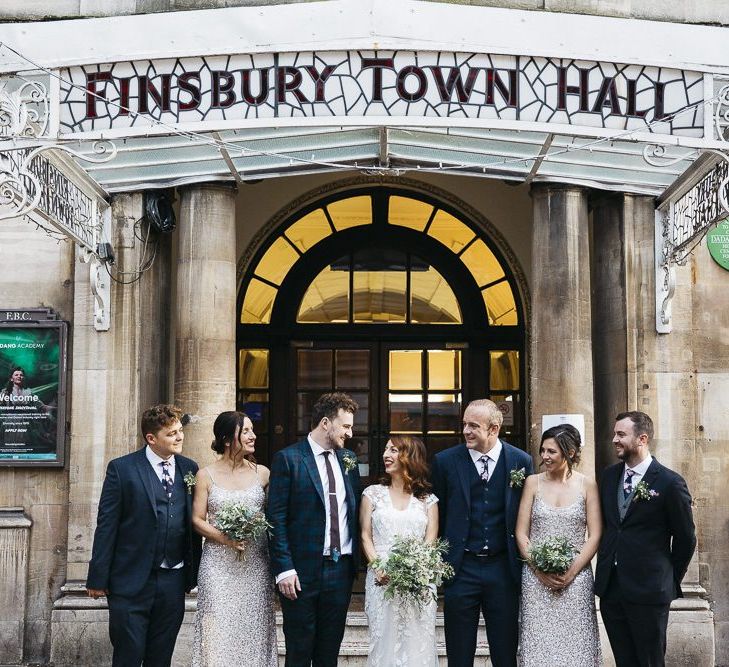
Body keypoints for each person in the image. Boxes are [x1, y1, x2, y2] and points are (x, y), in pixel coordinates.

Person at [86, 404, 202, 667]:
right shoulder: (122, 469)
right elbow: (107, 525)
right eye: (172, 433)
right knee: (129, 653)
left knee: (161, 657)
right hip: (130, 579)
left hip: (174, 578)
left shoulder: (189, 468)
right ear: (151, 438)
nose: (180, 437)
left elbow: (193, 523)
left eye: (180, 431)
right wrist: (97, 576)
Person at [431, 398, 533, 667]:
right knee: (459, 652)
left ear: (494, 429)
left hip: (503, 568)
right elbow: (437, 514)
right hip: (461, 567)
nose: (465, 431)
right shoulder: (445, 461)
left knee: (504, 650)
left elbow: (528, 515)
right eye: (464, 424)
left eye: (473, 426)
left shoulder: (521, 461)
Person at [595, 411, 696, 667]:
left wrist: (669, 579)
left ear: (642, 439)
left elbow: (686, 538)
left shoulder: (670, 482)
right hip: (612, 589)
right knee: (623, 661)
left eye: (621, 434)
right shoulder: (608, 477)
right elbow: (608, 527)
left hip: (650, 590)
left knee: (649, 661)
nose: (614, 439)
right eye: (614, 433)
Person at [267, 392, 361, 667]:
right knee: (299, 648)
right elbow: (276, 518)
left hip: (341, 568)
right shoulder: (289, 459)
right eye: (345, 426)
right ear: (325, 423)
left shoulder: (349, 459)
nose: (350, 433)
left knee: (329, 650)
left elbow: (354, 511)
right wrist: (284, 568)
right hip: (301, 571)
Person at [190, 411, 277, 666]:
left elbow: (272, 517)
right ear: (228, 439)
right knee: (217, 631)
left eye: (252, 430)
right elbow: (197, 520)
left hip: (255, 564)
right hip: (218, 567)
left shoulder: (263, 473)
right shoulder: (205, 475)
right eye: (246, 431)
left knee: (256, 630)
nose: (253, 436)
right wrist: (225, 539)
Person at [515, 424, 602, 666]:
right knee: (538, 646)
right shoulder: (533, 483)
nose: (544, 456)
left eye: (551, 451)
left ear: (570, 452)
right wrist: (539, 571)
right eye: (543, 450)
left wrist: (570, 573)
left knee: (578, 646)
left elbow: (594, 535)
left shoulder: (588, 485)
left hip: (577, 580)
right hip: (535, 580)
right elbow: (521, 534)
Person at [360, 436, 439, 667]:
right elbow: (366, 535)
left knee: (418, 640)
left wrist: (416, 572)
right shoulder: (372, 494)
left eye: (393, 450)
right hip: (380, 579)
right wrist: (377, 568)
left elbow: (430, 541)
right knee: (382, 639)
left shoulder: (428, 500)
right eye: (385, 449)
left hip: (418, 582)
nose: (386, 455)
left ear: (409, 457)